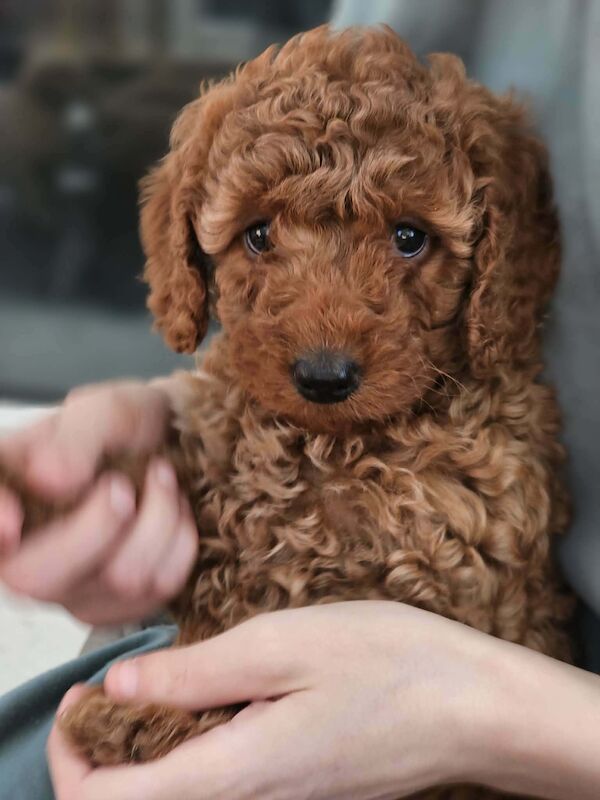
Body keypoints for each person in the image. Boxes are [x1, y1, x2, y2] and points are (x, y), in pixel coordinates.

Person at [1, 1, 599, 797]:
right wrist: (136, 458)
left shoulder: (472, 467)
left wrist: (478, 715)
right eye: (259, 238)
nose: (326, 342)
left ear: (498, 261)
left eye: (408, 238)